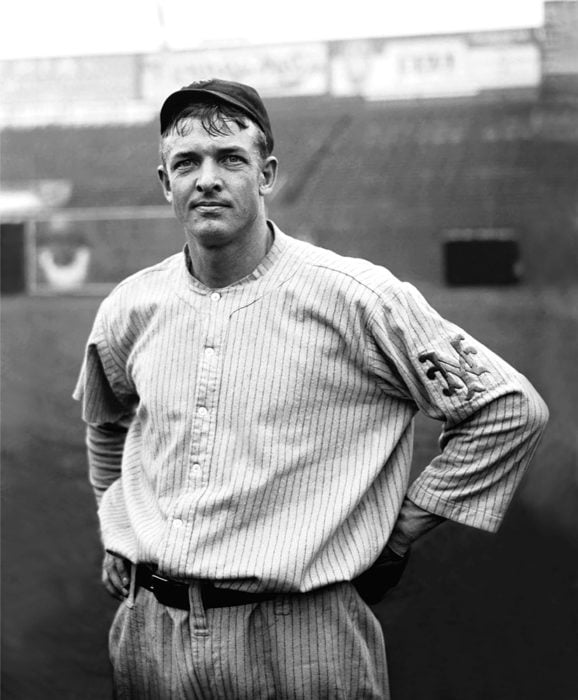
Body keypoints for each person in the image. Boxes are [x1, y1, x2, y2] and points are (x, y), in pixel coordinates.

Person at [74, 78, 549, 699]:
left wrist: (400, 529)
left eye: (231, 160)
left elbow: (507, 409)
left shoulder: (358, 298)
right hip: (151, 635)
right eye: (186, 163)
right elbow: (106, 420)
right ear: (166, 182)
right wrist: (116, 524)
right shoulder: (129, 306)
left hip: (301, 635)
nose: (207, 179)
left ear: (266, 174)